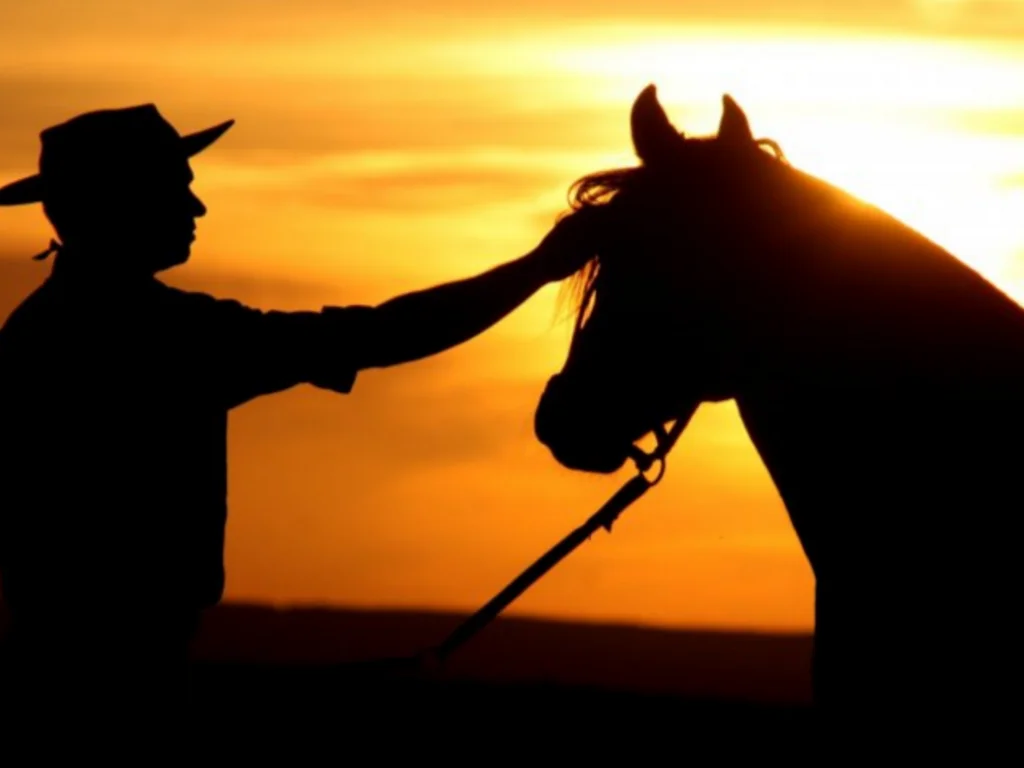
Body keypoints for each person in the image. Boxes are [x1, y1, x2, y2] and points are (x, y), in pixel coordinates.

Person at [0, 104, 603, 734]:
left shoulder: (43, 329)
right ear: (124, 202)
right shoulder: (164, 335)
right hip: (116, 683)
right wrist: (537, 269)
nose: (197, 207)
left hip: (73, 669)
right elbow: (376, 335)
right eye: (178, 187)